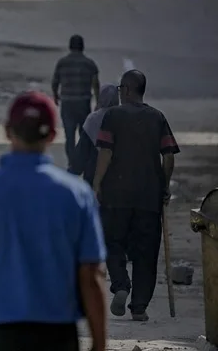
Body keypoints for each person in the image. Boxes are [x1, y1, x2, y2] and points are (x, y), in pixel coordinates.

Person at [0, 91, 107, 351]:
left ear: (7, 131)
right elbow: (91, 275)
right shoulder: (76, 195)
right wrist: (99, 343)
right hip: (55, 336)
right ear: (52, 135)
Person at [92, 69, 180, 322]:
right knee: (146, 252)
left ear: (127, 90)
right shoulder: (158, 117)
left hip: (116, 195)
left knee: (112, 242)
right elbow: (169, 156)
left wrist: (97, 184)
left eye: (121, 88)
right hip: (148, 197)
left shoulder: (112, 116)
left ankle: (121, 284)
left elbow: (105, 153)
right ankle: (139, 307)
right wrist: (164, 185)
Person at [51, 34, 100, 167]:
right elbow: (95, 84)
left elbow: (55, 81)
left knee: (69, 135)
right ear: (82, 47)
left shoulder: (62, 62)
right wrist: (98, 101)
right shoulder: (89, 64)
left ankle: (72, 163)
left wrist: (55, 95)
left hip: (67, 102)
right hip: (83, 103)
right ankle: (83, 161)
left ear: (70, 46)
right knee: (84, 134)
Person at [71, 83, 120, 182]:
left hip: (93, 171)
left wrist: (73, 171)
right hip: (117, 174)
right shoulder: (122, 117)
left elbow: (83, 149)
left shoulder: (93, 118)